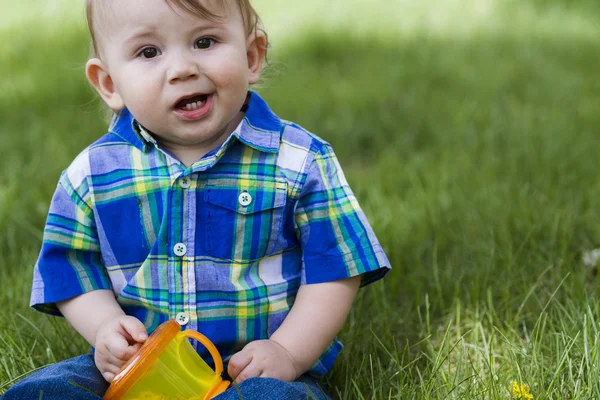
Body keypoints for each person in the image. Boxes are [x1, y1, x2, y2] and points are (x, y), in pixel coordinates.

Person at [2, 0, 390, 398]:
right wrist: (105, 327)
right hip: (139, 369)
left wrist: (288, 352)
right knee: (45, 391)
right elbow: (71, 269)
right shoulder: (93, 174)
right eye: (148, 52)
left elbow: (336, 267)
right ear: (110, 84)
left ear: (252, 56)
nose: (183, 68)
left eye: (205, 41)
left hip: (252, 369)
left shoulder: (299, 160)